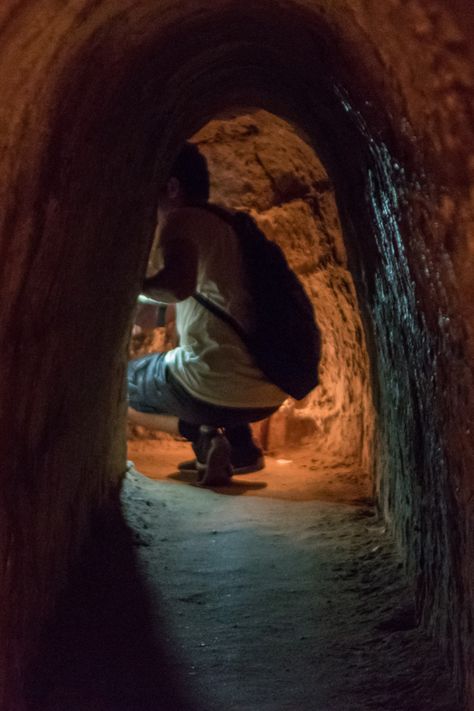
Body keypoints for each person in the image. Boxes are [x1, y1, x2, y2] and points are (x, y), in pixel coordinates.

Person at [127, 143, 287, 485]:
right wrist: (151, 311)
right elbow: (191, 301)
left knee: (122, 384)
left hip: (214, 388)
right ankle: (241, 449)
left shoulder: (180, 220)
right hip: (272, 389)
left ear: (172, 187)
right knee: (213, 362)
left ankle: (203, 436)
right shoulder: (228, 226)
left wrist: (127, 287)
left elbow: (176, 287)